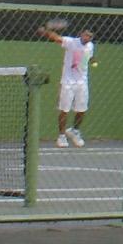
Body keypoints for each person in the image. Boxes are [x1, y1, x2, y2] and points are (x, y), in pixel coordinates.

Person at [37, 18, 95, 148]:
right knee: (64, 109)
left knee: (81, 109)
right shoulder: (71, 42)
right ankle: (61, 136)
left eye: (90, 36)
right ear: (81, 34)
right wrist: (45, 32)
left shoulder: (91, 46)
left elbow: (89, 57)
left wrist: (93, 61)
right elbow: (57, 38)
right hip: (68, 82)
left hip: (82, 82)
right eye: (86, 34)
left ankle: (74, 131)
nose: (88, 37)